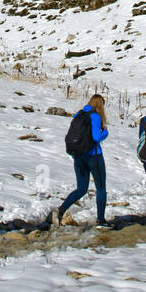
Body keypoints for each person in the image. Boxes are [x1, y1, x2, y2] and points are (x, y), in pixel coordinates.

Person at [54, 94, 111, 228]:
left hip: (78, 155)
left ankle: (61, 210)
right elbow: (96, 137)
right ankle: (101, 220)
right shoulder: (95, 116)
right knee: (101, 188)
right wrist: (106, 132)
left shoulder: (78, 114)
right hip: (94, 156)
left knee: (81, 188)